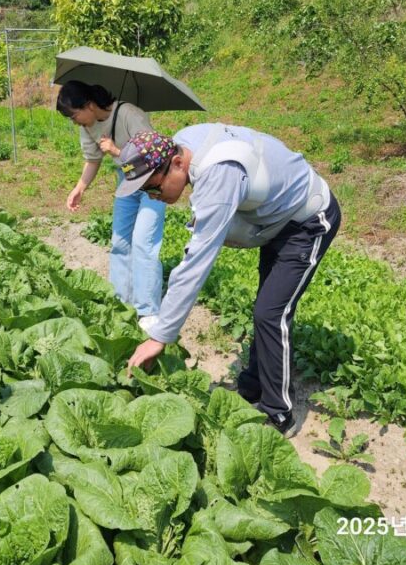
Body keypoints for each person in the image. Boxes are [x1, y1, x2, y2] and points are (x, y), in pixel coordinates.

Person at [117, 124, 341, 437]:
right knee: (265, 308)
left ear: (177, 164)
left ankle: (280, 415)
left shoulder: (219, 172)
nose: (154, 196)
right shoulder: (181, 145)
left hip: (308, 221)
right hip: (276, 220)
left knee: (271, 312)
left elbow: (196, 262)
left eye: (154, 188)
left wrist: (160, 335)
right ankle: (251, 389)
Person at [56, 81, 166, 324]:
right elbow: (93, 159)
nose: (75, 123)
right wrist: (80, 188)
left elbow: (153, 157)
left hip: (153, 181)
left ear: (90, 105)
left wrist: (117, 151)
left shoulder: (129, 114)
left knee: (143, 242)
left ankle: (147, 311)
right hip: (126, 180)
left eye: (75, 116)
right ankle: (120, 303)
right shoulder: (88, 126)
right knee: (120, 241)